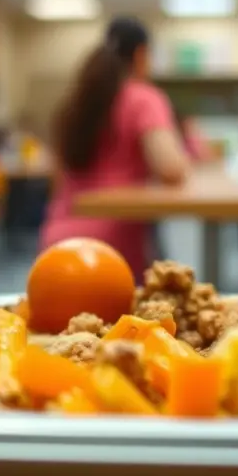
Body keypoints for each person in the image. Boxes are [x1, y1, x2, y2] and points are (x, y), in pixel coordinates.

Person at [42, 16, 190, 281]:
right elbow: (171, 169)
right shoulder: (143, 98)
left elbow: (56, 178)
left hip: (55, 244)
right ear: (141, 54)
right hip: (110, 250)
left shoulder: (79, 99)